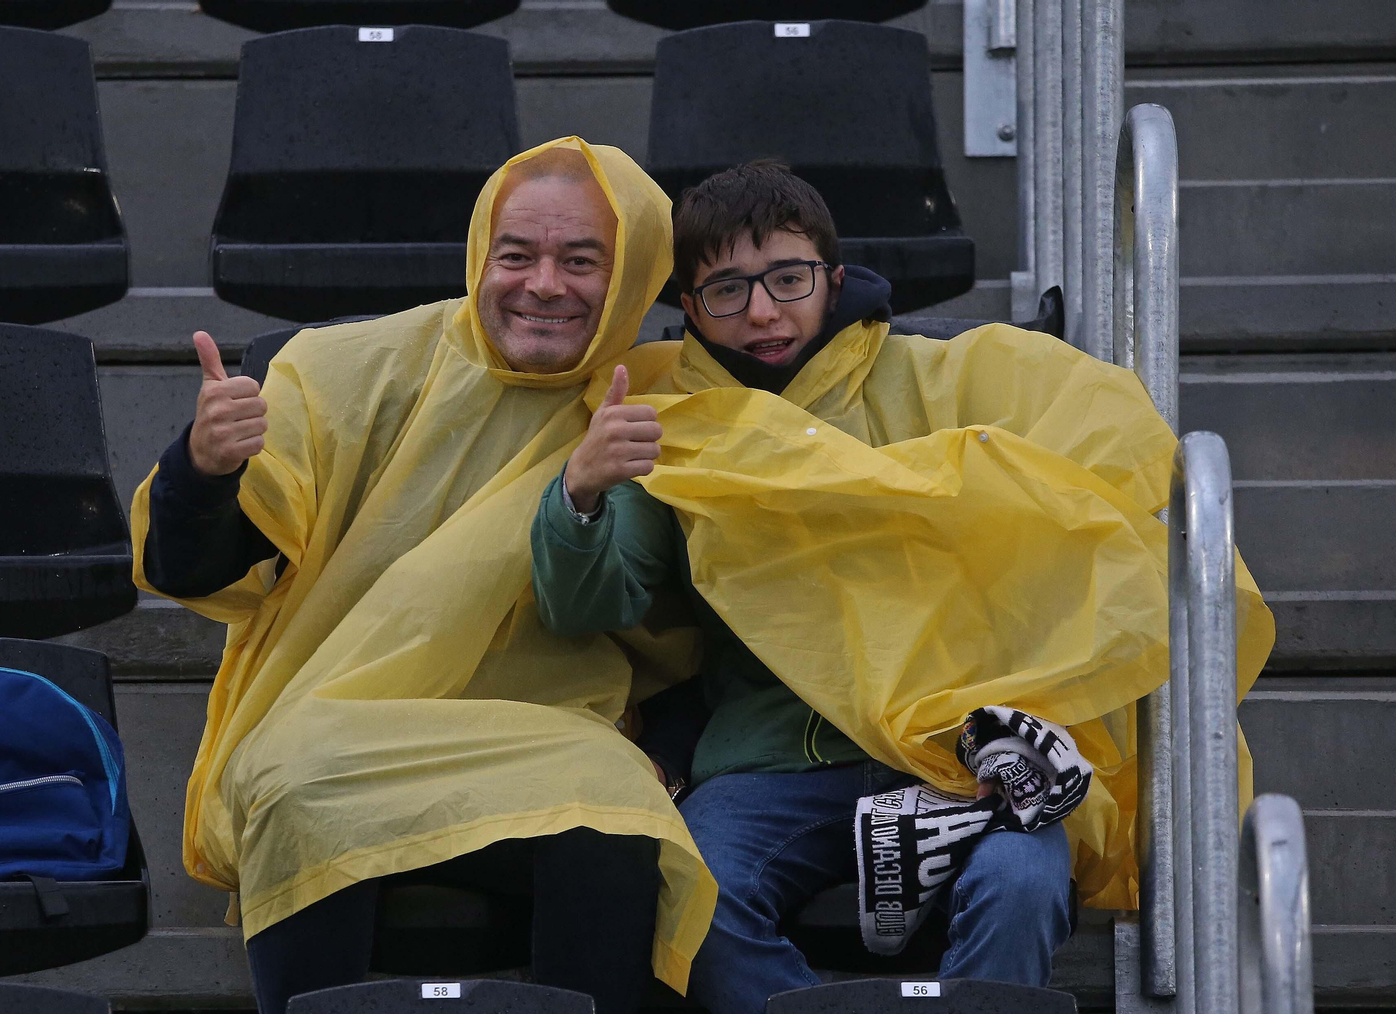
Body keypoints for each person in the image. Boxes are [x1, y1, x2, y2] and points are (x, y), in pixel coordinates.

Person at [530, 161, 1275, 1014]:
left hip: (963, 750)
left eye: (787, 278)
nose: (763, 311)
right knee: (695, 898)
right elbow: (589, 605)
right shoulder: (671, 420)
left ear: (834, 277)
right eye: (727, 290)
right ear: (690, 310)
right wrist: (581, 494)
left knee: (1023, 884)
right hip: (771, 759)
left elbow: (1088, 499)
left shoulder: (945, 382)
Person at [131, 139, 716, 1014]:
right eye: (515, 256)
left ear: (633, 274)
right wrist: (203, 469)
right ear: (480, 256)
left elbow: (716, 612)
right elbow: (196, 569)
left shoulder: (667, 405)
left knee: (615, 802)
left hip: (545, 736)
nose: (544, 285)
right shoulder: (343, 370)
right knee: (299, 785)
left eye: (580, 261)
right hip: (334, 726)